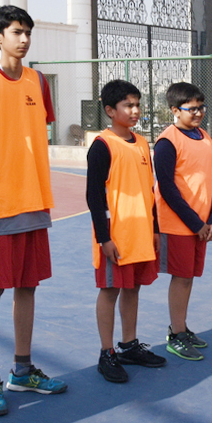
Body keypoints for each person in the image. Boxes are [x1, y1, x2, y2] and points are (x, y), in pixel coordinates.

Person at [0, 5, 67, 417]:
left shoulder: (38, 82)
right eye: (16, 32)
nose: (23, 40)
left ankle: (22, 370)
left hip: (34, 199)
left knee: (28, 286)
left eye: (27, 33)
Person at [87, 80, 167, 382]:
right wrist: (103, 238)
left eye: (137, 105)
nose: (135, 110)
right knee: (110, 291)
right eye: (128, 105)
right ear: (110, 110)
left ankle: (129, 344)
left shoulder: (143, 143)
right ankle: (106, 353)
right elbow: (94, 197)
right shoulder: (102, 146)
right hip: (116, 236)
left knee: (133, 289)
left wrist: (155, 228)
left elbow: (150, 190)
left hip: (141, 233)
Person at [154, 82, 212, 361]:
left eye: (201, 107)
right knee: (180, 278)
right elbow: (168, 189)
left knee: (189, 277)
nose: (198, 113)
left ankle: (181, 327)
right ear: (174, 110)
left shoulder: (204, 137)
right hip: (178, 224)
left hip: (201, 224)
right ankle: (176, 333)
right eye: (191, 109)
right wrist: (195, 223)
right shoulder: (167, 142)